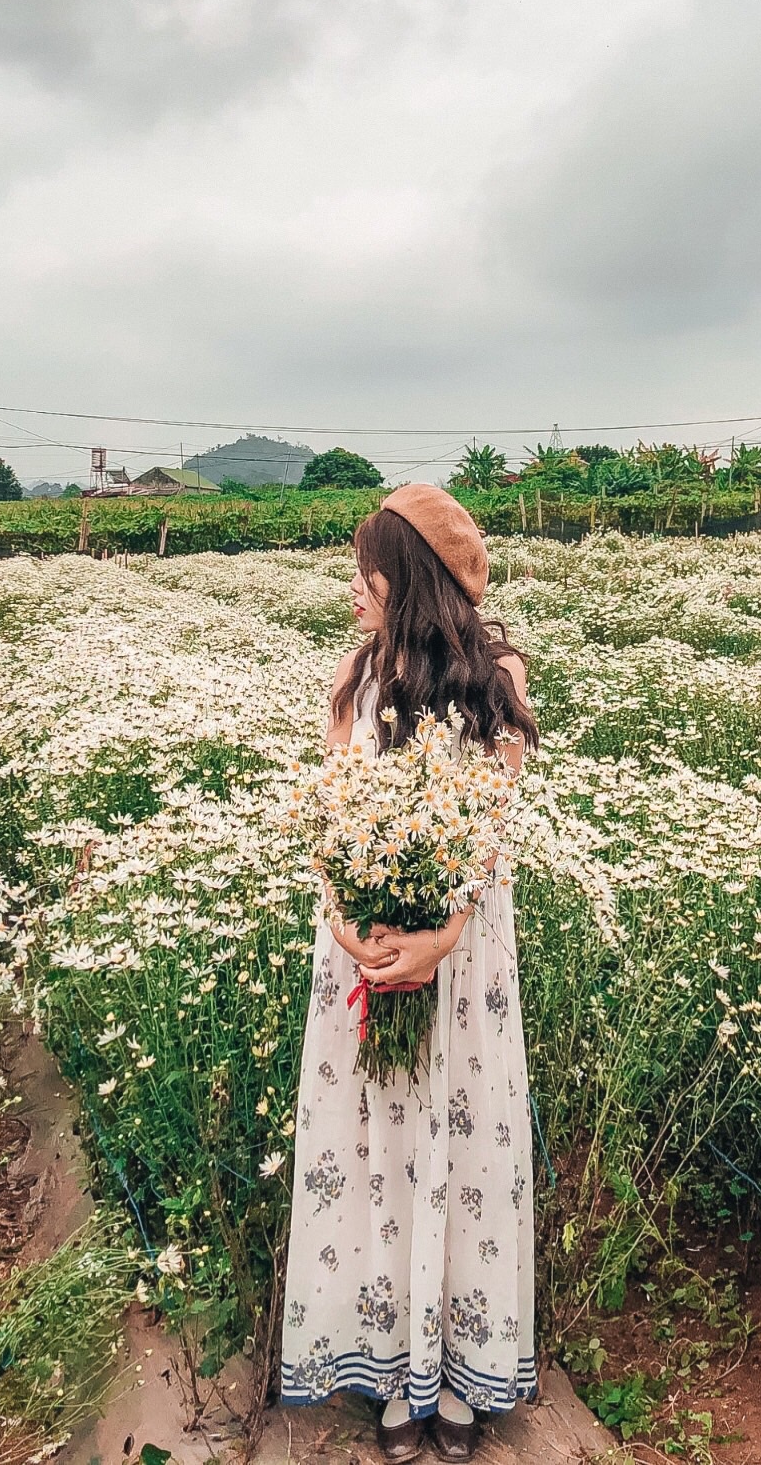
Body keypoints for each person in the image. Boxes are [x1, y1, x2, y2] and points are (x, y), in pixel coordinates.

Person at [277, 483, 541, 1463]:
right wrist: (350, 918)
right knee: (378, 1151)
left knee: (459, 1153)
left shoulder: (494, 675)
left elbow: (485, 828)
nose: (352, 588)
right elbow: (329, 812)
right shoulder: (352, 676)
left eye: (367, 569)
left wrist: (439, 936)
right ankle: (392, 1368)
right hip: (364, 945)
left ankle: (463, 1372)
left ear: (411, 576)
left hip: (461, 957)